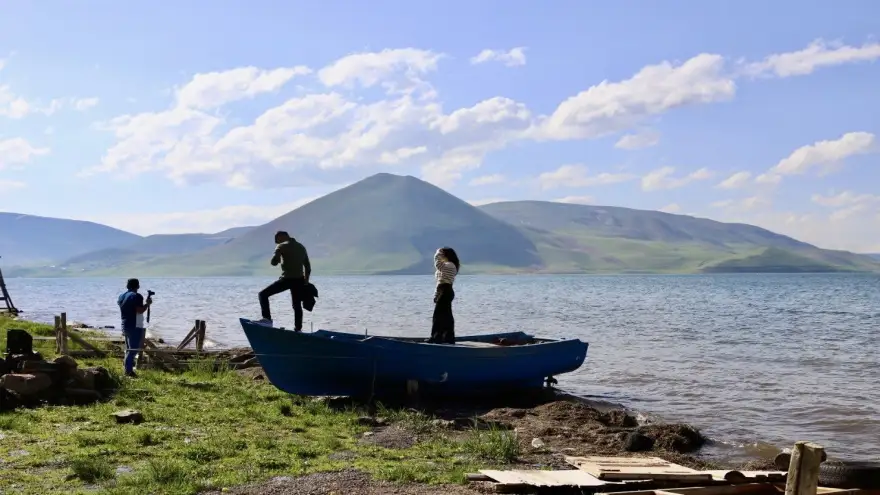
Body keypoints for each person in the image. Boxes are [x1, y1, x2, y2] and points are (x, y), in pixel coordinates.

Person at [257, 230, 311, 330]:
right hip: (299, 280)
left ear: (281, 237)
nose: (276, 242)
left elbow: (274, 262)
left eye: (277, 240)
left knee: (262, 294)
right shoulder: (301, 247)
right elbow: (308, 267)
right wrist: (306, 283)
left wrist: (277, 256)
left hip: (287, 279)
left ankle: (267, 320)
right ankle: (298, 329)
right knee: (297, 305)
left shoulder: (281, 246)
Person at [117, 278, 151, 377]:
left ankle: (127, 369)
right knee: (134, 349)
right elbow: (139, 310)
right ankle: (128, 371)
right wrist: (147, 305)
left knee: (129, 349)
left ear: (127, 286)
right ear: (138, 286)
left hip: (125, 324)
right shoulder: (137, 296)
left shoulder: (121, 296)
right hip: (135, 325)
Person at [429, 247, 460, 344]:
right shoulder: (448, 265)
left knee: (438, 316)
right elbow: (439, 281)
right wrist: (436, 295)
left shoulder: (450, 265)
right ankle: (447, 337)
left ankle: (436, 337)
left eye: (442, 254)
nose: (440, 256)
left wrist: (437, 253)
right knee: (446, 315)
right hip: (442, 290)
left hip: (446, 290)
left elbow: (438, 265)